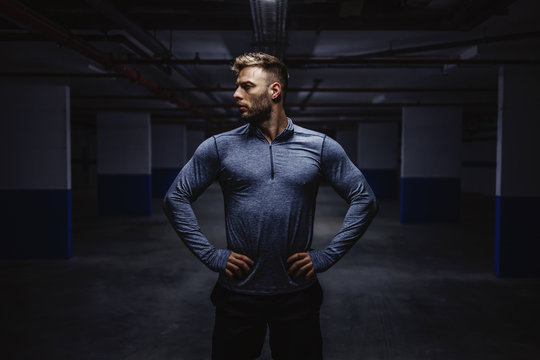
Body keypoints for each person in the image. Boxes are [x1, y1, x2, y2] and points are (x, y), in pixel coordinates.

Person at [163, 52, 377, 360]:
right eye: (237, 86)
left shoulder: (319, 146)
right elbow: (176, 197)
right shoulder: (219, 147)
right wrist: (211, 255)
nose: (236, 94)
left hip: (297, 296)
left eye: (246, 86)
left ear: (274, 91)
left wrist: (327, 256)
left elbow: (364, 199)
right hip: (237, 295)